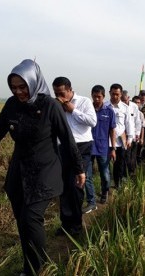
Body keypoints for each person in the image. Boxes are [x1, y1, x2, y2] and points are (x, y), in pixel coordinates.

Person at [0, 60, 85, 276]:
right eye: (14, 87)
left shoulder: (50, 106)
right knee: (22, 220)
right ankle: (31, 265)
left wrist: (79, 169)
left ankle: (39, 269)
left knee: (31, 218)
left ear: (34, 82)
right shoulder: (12, 105)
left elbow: (67, 139)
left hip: (45, 170)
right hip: (19, 171)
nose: (18, 92)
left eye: (23, 86)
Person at [52, 77, 96, 229]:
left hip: (82, 146)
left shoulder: (84, 102)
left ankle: (76, 224)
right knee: (63, 185)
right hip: (62, 146)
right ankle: (66, 223)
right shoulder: (55, 105)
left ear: (70, 90)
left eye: (62, 93)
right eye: (56, 93)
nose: (59, 97)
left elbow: (92, 121)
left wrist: (73, 110)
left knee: (76, 184)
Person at [85, 85, 116, 206]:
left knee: (105, 173)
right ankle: (91, 200)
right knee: (87, 175)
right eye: (94, 96)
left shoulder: (109, 112)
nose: (97, 99)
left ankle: (105, 192)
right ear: (91, 95)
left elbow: (112, 130)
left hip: (103, 148)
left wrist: (113, 148)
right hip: (87, 147)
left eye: (99, 97)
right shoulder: (87, 110)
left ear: (103, 97)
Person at [107, 84, 134, 189]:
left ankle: (117, 183)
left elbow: (129, 123)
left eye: (117, 94)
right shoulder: (105, 106)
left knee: (119, 163)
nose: (114, 96)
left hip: (120, 140)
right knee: (106, 163)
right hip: (107, 140)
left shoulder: (125, 108)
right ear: (109, 93)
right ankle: (106, 184)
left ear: (121, 94)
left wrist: (130, 138)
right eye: (113, 94)